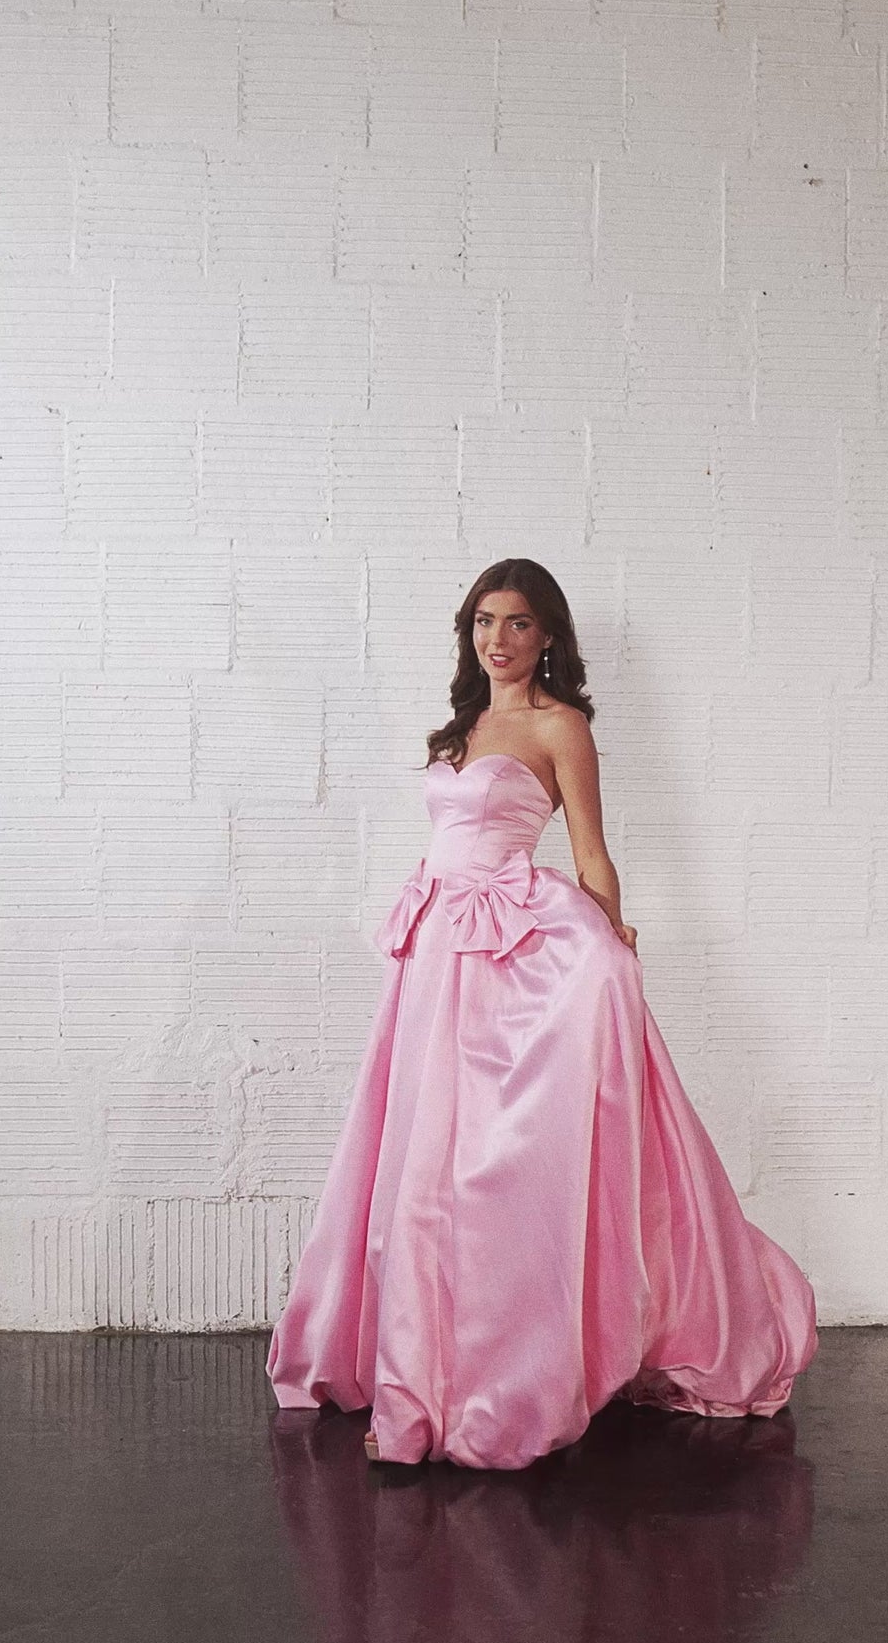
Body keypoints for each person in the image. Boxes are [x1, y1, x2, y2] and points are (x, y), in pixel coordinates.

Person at [266, 557, 818, 1469]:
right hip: (436, 946)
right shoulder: (464, 725)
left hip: (506, 948)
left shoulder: (561, 726)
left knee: (490, 1165)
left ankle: (479, 1380)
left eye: (518, 622)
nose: (498, 638)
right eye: (484, 620)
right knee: (424, 1164)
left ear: (547, 635)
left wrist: (611, 941)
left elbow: (590, 852)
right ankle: (418, 1369)